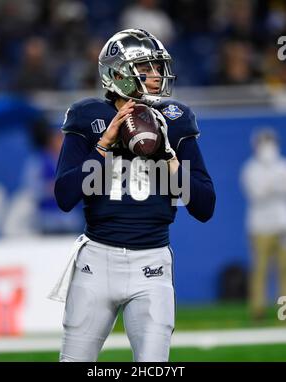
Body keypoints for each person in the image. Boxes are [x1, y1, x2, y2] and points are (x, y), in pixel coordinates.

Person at [53, 29, 216, 362]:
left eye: (158, 67)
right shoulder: (89, 117)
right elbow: (64, 197)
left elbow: (204, 206)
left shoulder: (175, 119)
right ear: (117, 73)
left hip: (152, 263)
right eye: (146, 67)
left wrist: (169, 156)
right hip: (96, 262)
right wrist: (102, 146)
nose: (156, 76)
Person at [241, 129, 286, 320]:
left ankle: (282, 311)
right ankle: (258, 310)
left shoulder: (282, 166)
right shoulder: (250, 169)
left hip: (282, 224)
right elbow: (257, 194)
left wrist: (273, 185)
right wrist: (274, 184)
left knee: (284, 270)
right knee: (260, 271)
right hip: (259, 227)